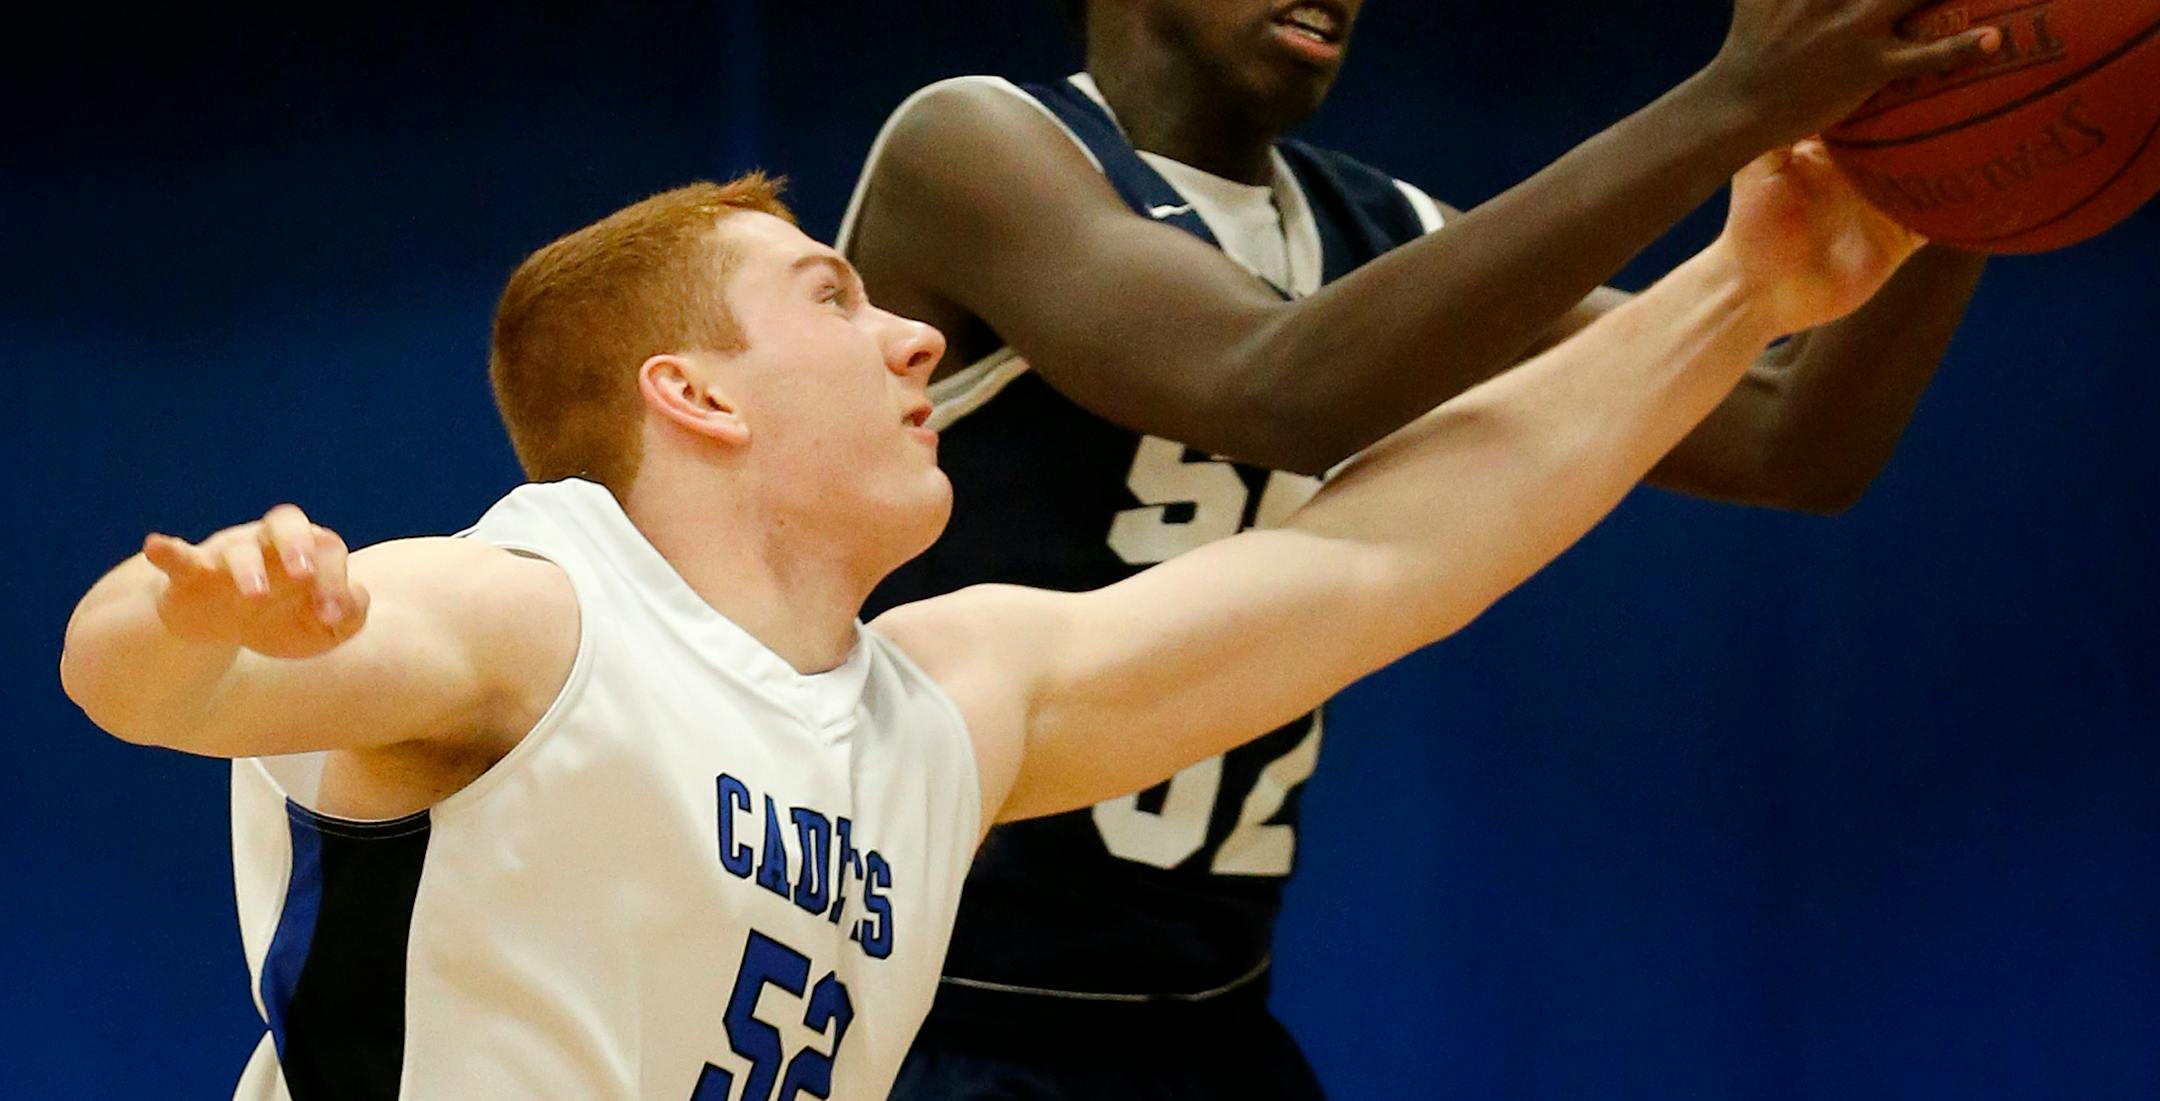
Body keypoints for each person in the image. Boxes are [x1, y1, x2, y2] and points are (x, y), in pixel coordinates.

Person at [833, 0, 2143, 1098]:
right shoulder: (978, 147)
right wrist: (1729, 104)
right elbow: (1274, 386)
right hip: (933, 1022)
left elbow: (1788, 434)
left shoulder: (1370, 224)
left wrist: (1971, 155)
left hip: (1205, 1029)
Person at [65, 146, 1915, 1101]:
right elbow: (135, 682)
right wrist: (199, 609)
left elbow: (1389, 562)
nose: (918, 340)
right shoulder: (539, 608)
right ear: (691, 395)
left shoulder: (944, 696)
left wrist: (1744, 280)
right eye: (833, 296)